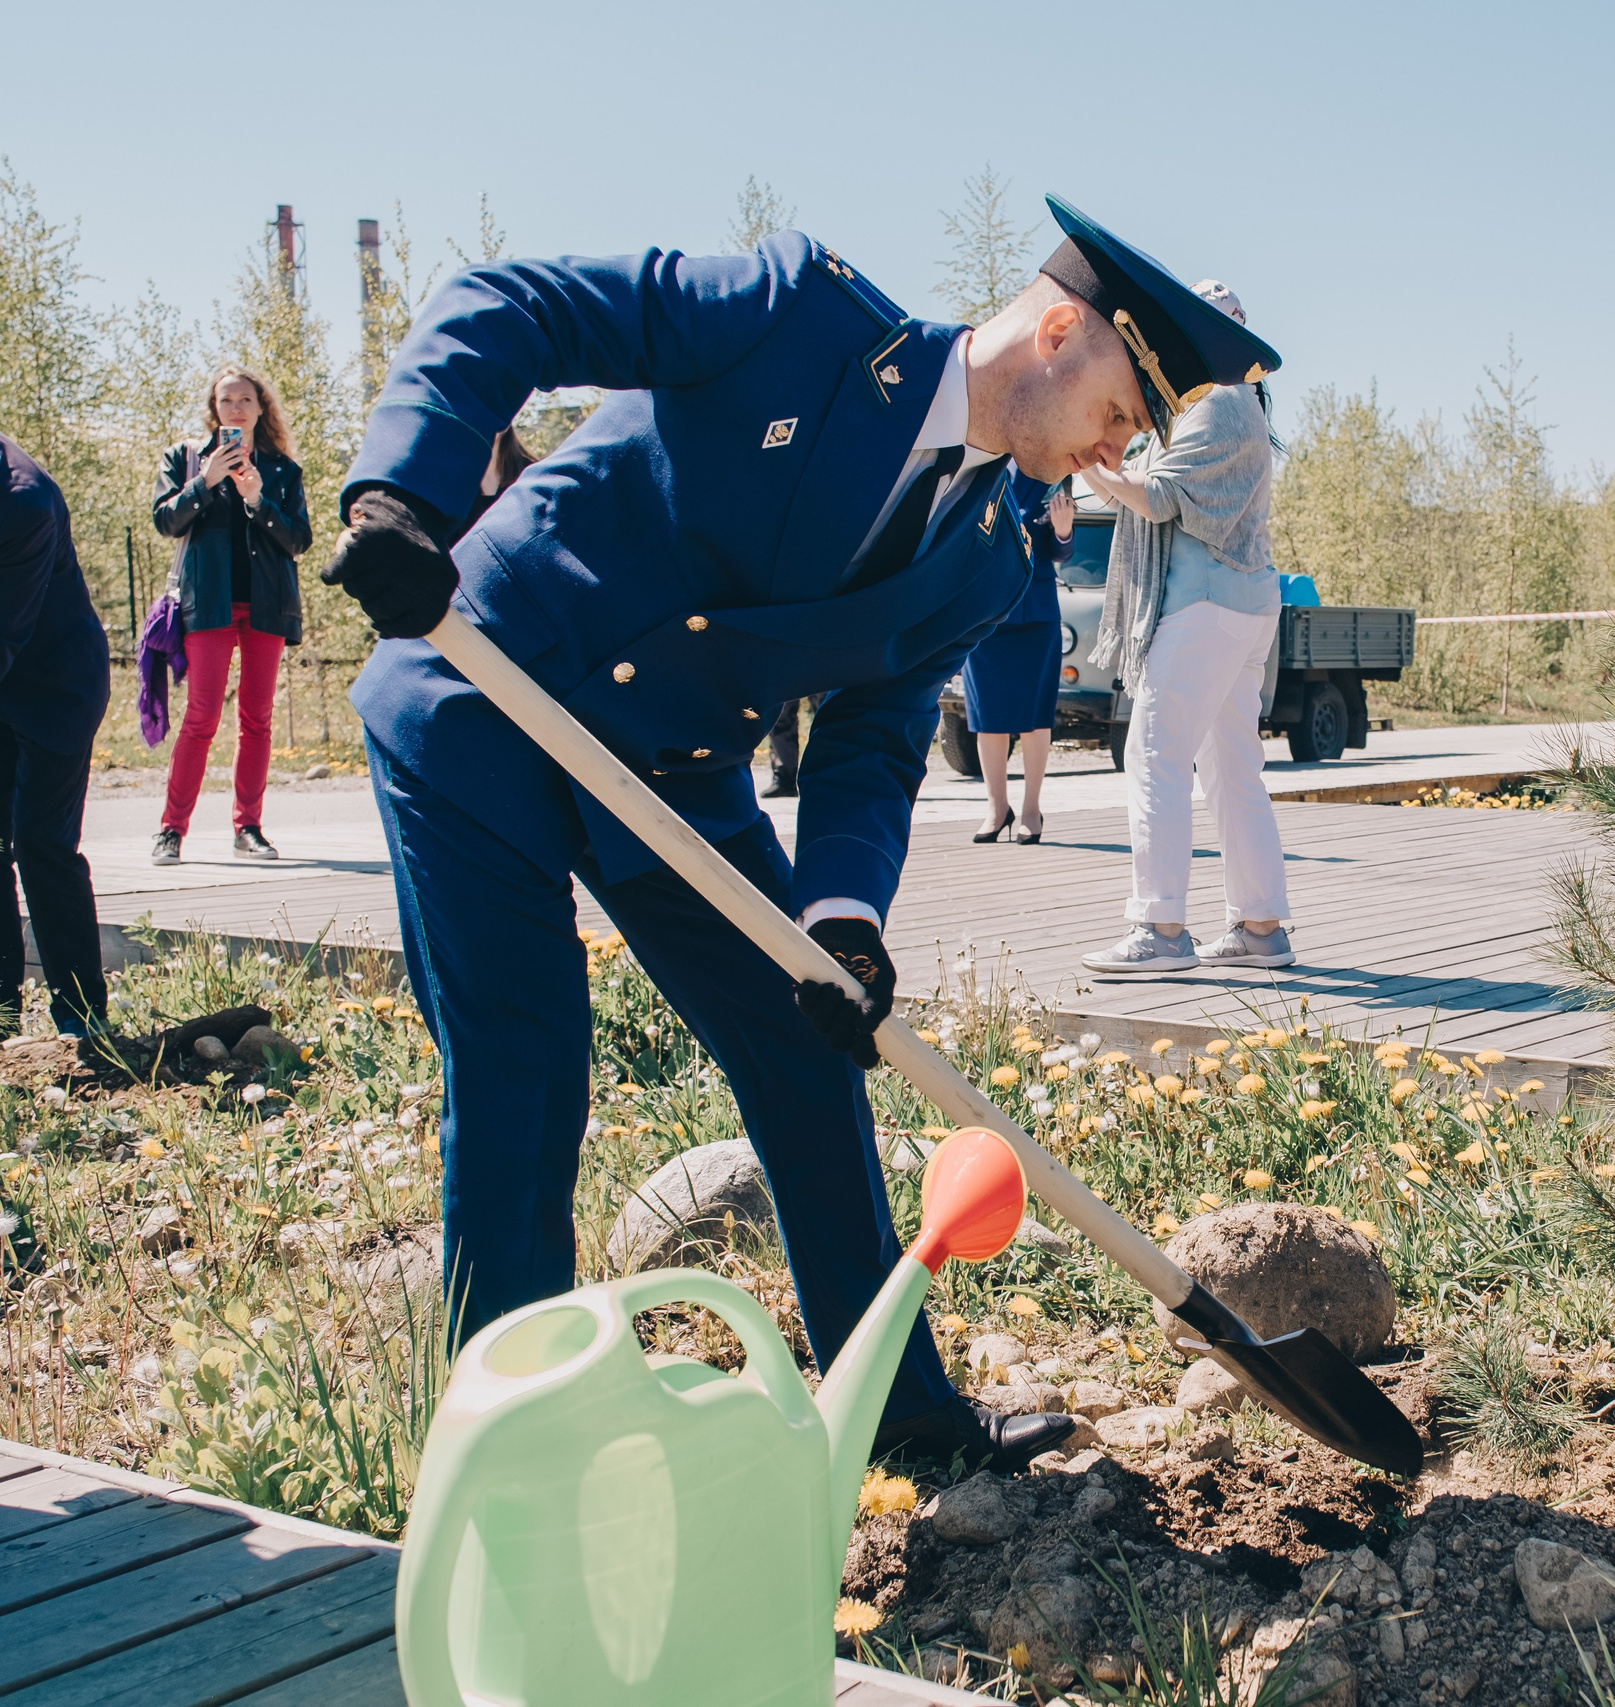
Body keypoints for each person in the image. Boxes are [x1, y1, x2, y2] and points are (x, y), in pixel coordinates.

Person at [318, 198, 1280, 1472]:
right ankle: (508, 1438)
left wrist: (842, 918)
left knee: (808, 1049)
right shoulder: (797, 314)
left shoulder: (991, 560)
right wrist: (405, 493)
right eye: (1117, 412)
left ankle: (898, 1413)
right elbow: (513, 307)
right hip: (483, 688)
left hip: (670, 773)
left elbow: (872, 745)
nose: (1113, 453)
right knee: (523, 1058)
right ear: (1059, 330)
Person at [1079, 280, 1294, 975]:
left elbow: (1164, 498)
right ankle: (1260, 928)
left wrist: (1099, 470)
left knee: (1153, 752)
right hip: (1246, 604)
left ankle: (1160, 928)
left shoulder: (1214, 402)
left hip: (1205, 605)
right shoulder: (1241, 405)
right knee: (1233, 768)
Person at [150, 367, 312, 865]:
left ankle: (249, 828)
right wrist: (205, 481)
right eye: (227, 401)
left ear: (262, 407)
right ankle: (171, 830)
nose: (237, 408)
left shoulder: (282, 470)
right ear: (214, 409)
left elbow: (298, 541)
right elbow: (164, 519)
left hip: (265, 605)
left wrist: (258, 499)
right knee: (201, 718)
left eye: (246, 399)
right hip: (210, 604)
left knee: (257, 720)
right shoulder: (184, 459)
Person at [0, 434, 112, 1039]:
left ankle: (81, 1018)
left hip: (55, 688)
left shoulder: (24, 503)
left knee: (41, 844)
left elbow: (4, 630)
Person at [961, 477, 1072, 843]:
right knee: (986, 716)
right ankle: (997, 808)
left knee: (1035, 717)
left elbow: (1061, 554)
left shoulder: (1052, 471)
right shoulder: (978, 466)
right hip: (983, 609)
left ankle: (1030, 810)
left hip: (1035, 614)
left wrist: (1063, 532)